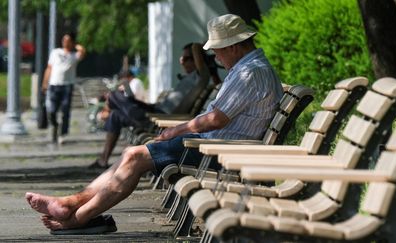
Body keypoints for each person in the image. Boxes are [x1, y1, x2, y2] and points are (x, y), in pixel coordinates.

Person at [25, 14, 283, 232]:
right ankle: (72, 205)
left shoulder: (250, 72)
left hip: (220, 153)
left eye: (216, 51)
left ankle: (76, 217)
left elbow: (216, 119)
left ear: (233, 46)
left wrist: (176, 129)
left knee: (135, 157)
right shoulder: (249, 68)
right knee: (131, 153)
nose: (215, 56)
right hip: (215, 148)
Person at [88, 42, 211, 169]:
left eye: (186, 58)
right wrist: (141, 103)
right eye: (182, 58)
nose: (182, 61)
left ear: (197, 59)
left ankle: (106, 108)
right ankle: (103, 159)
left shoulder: (201, 77)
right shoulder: (189, 78)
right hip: (154, 112)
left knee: (114, 96)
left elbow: (198, 52)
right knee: (115, 115)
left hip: (159, 120)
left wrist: (201, 46)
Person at [42, 33, 86, 144]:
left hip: (67, 85)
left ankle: (62, 133)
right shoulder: (56, 52)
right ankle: (55, 125)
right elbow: (49, 68)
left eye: (67, 40)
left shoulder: (74, 55)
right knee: (51, 110)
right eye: (63, 39)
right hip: (54, 84)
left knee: (65, 110)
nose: (64, 42)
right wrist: (45, 83)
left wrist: (76, 45)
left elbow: (83, 51)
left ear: (72, 42)